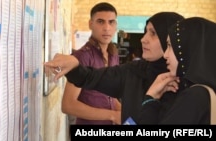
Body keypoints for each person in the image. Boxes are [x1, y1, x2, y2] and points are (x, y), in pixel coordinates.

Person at [44, 12, 184, 124]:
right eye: (145, 32)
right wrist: (74, 67)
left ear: (170, 39)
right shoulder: (134, 71)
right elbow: (91, 77)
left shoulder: (187, 84)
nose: (143, 39)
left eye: (153, 33)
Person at [138, 17, 216, 124]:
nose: (165, 55)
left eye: (170, 46)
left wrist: (150, 98)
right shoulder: (205, 92)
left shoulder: (194, 97)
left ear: (189, 48)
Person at [62, 2, 121, 125]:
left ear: (116, 25)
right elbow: (68, 105)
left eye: (111, 22)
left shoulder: (113, 55)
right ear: (91, 24)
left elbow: (111, 96)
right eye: (100, 21)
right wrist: (112, 115)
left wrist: (125, 113)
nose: (106, 28)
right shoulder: (82, 57)